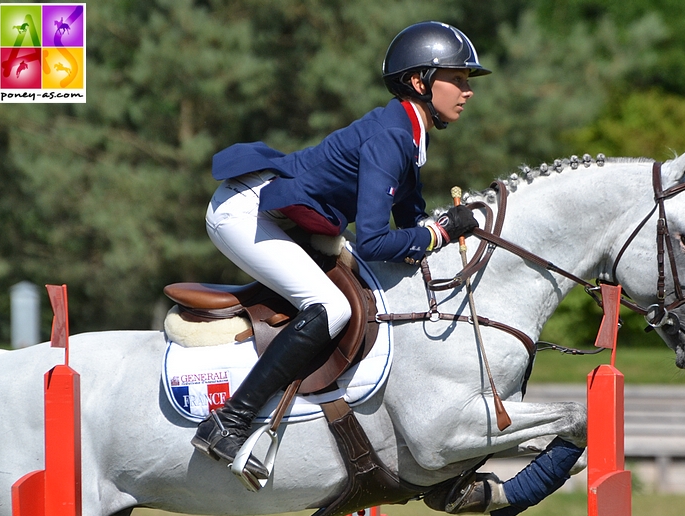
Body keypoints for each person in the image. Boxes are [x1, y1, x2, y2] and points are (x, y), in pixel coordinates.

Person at [192, 21, 490, 480]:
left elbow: (411, 227)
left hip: (280, 213)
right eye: (459, 78)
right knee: (330, 306)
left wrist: (441, 233)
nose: (467, 91)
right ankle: (229, 421)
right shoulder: (392, 138)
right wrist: (440, 232)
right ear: (419, 82)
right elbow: (375, 241)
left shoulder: (409, 137)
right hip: (245, 212)